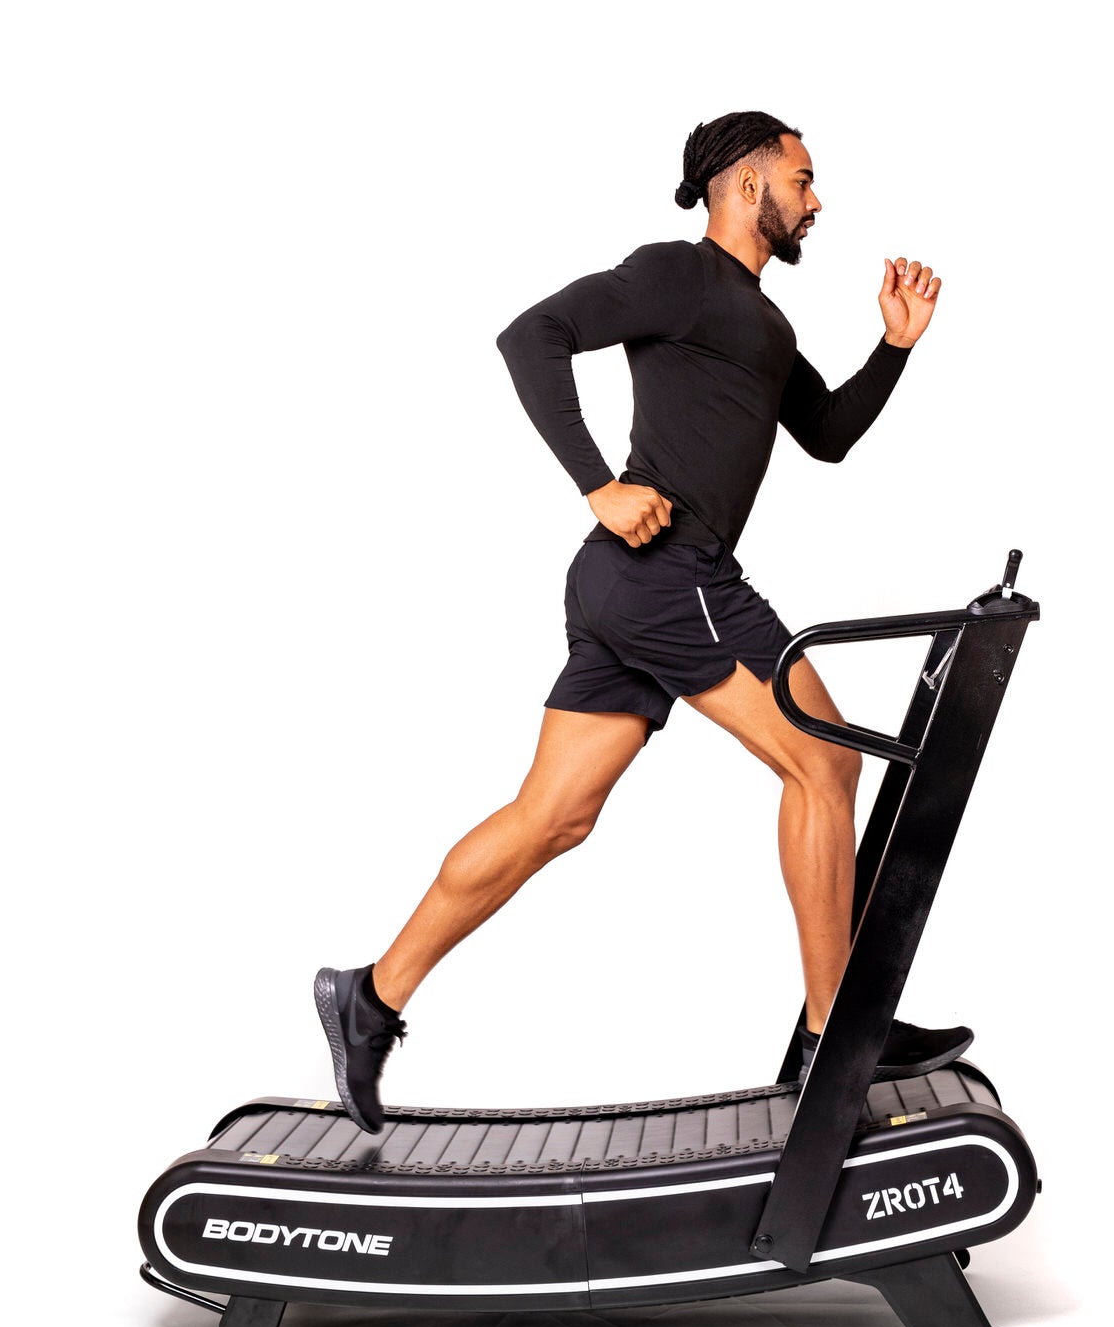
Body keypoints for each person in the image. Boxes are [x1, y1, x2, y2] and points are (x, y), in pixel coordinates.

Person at [315, 110, 945, 1134]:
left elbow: (827, 433)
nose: (817, 201)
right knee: (825, 762)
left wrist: (895, 347)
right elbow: (532, 337)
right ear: (749, 185)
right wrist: (598, 484)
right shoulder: (677, 274)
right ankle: (838, 1037)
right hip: (666, 574)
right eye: (803, 180)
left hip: (631, 586)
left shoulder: (762, 324)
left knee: (553, 817)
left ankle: (370, 998)